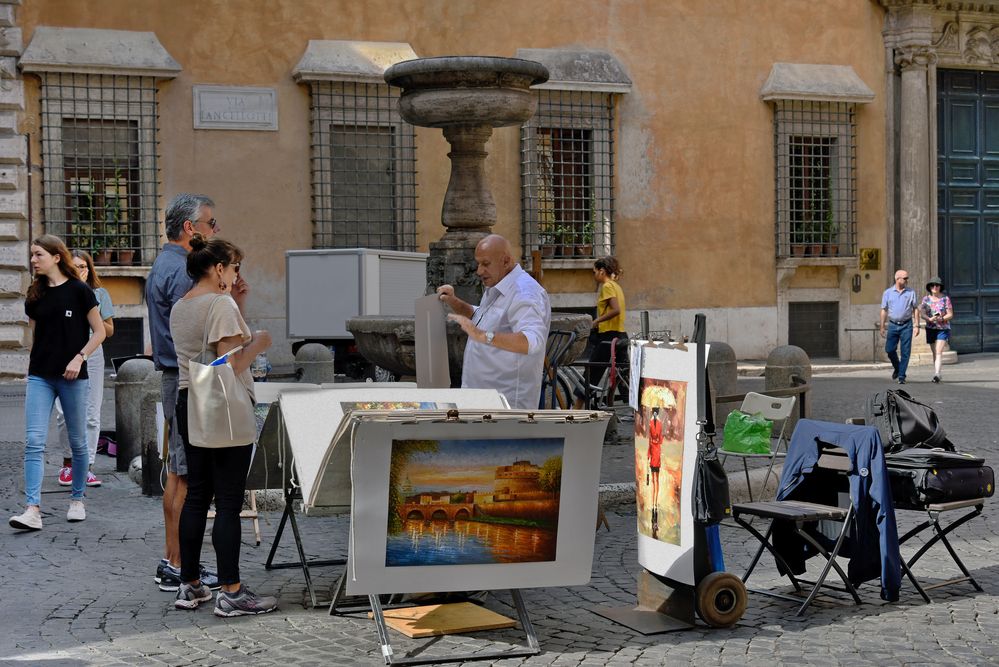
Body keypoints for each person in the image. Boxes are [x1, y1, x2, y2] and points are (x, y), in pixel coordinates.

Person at [170, 234, 277, 615]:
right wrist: (260, 341)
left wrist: (238, 304)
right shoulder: (221, 303)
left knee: (197, 495)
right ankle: (231, 590)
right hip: (221, 403)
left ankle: (190, 584)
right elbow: (231, 364)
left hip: (188, 400)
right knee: (229, 500)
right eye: (234, 268)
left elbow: (207, 353)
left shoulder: (182, 305)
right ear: (218, 268)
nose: (235, 275)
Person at [147, 194, 242, 592]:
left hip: (177, 378)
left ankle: (176, 561)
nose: (214, 230)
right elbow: (219, 350)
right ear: (191, 228)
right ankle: (180, 565)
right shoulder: (188, 275)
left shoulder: (160, 265)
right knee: (191, 481)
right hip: (195, 381)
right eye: (211, 223)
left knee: (179, 473)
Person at [9, 235, 106, 531]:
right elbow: (36, 335)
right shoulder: (34, 294)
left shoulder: (79, 291)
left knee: (78, 442)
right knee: (34, 442)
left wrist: (79, 358)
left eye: (38, 255)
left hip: (73, 377)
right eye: (32, 255)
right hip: (40, 376)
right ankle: (32, 509)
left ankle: (77, 500)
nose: (33, 260)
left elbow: (100, 332)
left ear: (55, 256)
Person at [436, 234, 551, 409]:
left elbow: (532, 341)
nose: (479, 271)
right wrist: (453, 301)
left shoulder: (524, 292)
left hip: (506, 405)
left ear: (505, 261)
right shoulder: (497, 285)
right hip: (484, 401)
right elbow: (480, 317)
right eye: (478, 264)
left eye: (486, 264)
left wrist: (483, 336)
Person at [55, 250, 114, 488]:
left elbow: (109, 330)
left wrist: (95, 318)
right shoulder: (58, 293)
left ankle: (87, 467)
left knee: (91, 412)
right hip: (65, 351)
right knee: (63, 413)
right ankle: (68, 464)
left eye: (82, 266)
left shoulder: (99, 294)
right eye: (74, 266)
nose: (79, 270)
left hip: (94, 353)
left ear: (89, 269)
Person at [574, 256, 627, 409]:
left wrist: (596, 321)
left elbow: (616, 310)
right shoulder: (617, 286)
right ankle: (636, 410)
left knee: (592, 373)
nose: (594, 275)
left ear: (602, 271)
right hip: (620, 335)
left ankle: (576, 410)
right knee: (625, 377)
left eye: (594, 272)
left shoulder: (607, 286)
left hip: (608, 337)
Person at [879, 269, 920, 384]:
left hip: (907, 325)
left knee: (905, 352)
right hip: (892, 325)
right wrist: (882, 326)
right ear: (897, 279)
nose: (907, 280)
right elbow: (884, 310)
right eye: (905, 278)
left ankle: (902, 376)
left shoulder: (911, 292)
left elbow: (915, 308)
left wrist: (917, 325)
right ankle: (897, 368)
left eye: (907, 278)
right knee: (889, 349)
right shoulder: (887, 293)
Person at [921, 276, 953, 384]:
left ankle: (937, 374)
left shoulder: (945, 299)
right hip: (930, 328)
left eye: (937, 285)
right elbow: (922, 313)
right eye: (932, 285)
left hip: (942, 328)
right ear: (930, 287)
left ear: (940, 287)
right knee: (934, 352)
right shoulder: (926, 299)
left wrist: (942, 318)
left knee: (939, 351)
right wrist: (929, 318)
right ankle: (937, 372)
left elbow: (950, 314)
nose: (935, 287)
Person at [647, 406, 663, 527]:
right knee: (654, 478)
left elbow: (659, 437)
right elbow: (651, 438)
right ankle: (654, 496)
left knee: (655, 478)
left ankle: (655, 496)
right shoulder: (651, 423)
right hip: (654, 450)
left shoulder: (657, 423)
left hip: (656, 450)